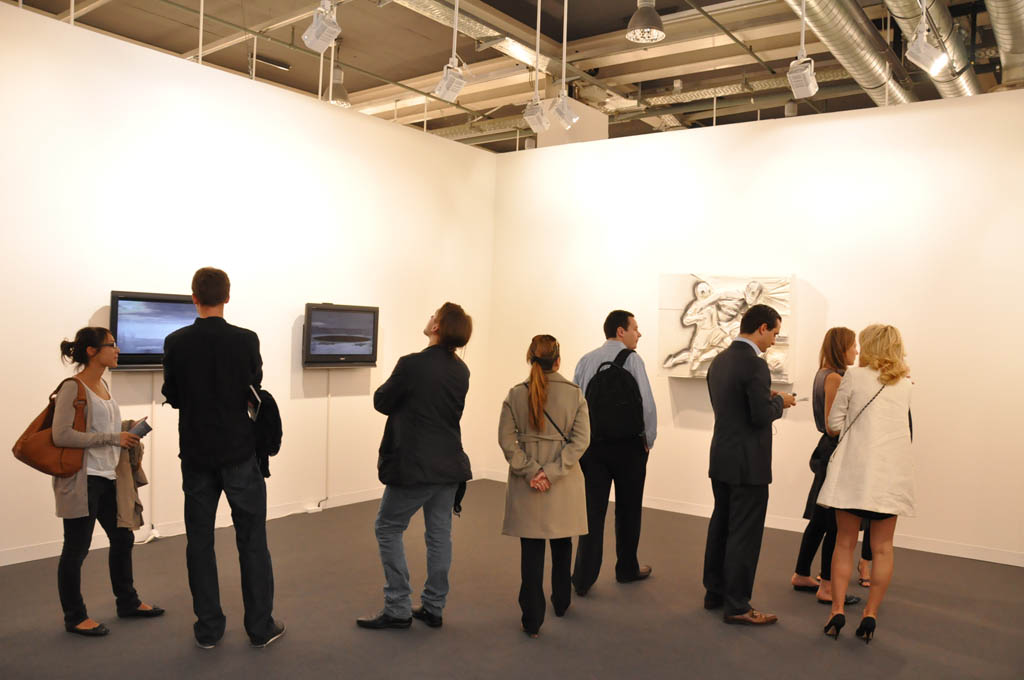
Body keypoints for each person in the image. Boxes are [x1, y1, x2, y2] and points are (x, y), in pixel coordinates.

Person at [162, 267, 284, 649]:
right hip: (239, 453)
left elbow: (173, 394)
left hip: (196, 454)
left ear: (194, 298)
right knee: (252, 540)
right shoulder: (246, 339)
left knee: (199, 542)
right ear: (227, 297)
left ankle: (209, 629)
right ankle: (260, 627)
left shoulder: (176, 342)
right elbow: (254, 384)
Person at [357, 302, 474, 631]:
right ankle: (434, 606)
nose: (429, 317)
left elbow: (382, 401)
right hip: (449, 465)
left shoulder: (411, 364)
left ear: (437, 327)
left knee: (388, 527)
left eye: (433, 315)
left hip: (414, 466)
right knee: (439, 536)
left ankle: (398, 606)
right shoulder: (461, 371)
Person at [53, 327, 163, 636]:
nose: (117, 350)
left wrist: (127, 427)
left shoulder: (102, 384)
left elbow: (99, 426)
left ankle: (127, 602)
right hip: (83, 480)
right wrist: (114, 437)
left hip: (108, 476)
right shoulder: (72, 388)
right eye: (111, 345)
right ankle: (75, 617)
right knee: (76, 548)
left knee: (123, 538)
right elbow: (61, 435)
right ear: (91, 351)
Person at [817, 324, 914, 643]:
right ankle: (870, 614)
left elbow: (833, 425)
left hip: (854, 475)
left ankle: (837, 611)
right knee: (883, 548)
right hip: (890, 477)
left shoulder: (854, 377)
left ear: (869, 346)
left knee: (845, 543)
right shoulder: (906, 384)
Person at [702, 304, 795, 625]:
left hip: (722, 455)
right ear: (761, 328)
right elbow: (759, 416)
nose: (774, 340)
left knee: (721, 524)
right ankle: (738, 605)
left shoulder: (719, 360)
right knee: (744, 533)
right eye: (774, 333)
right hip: (748, 463)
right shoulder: (755, 364)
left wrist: (765, 398)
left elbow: (730, 407)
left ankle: (714, 592)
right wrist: (779, 402)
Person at [499, 335, 590, 638]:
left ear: (530, 359)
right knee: (563, 543)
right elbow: (581, 441)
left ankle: (532, 619)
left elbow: (506, 440)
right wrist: (551, 472)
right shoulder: (575, 394)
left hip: (528, 483)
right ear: (558, 361)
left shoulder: (515, 394)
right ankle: (561, 602)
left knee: (531, 552)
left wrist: (531, 471)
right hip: (563, 481)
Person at [571, 310, 657, 595]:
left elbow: (576, 404)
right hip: (629, 448)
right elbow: (646, 404)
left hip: (593, 448)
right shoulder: (633, 360)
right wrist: (649, 439)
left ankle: (583, 577)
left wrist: (577, 443)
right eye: (635, 328)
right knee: (629, 509)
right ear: (621, 331)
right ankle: (627, 569)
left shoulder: (586, 360)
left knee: (592, 512)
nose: (639, 333)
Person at [791, 327, 861, 606]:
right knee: (833, 523)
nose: (856, 351)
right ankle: (827, 586)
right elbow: (833, 426)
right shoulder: (833, 377)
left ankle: (801, 574)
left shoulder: (824, 373)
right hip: (833, 452)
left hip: (828, 451)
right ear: (841, 348)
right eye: (853, 346)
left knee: (820, 520)